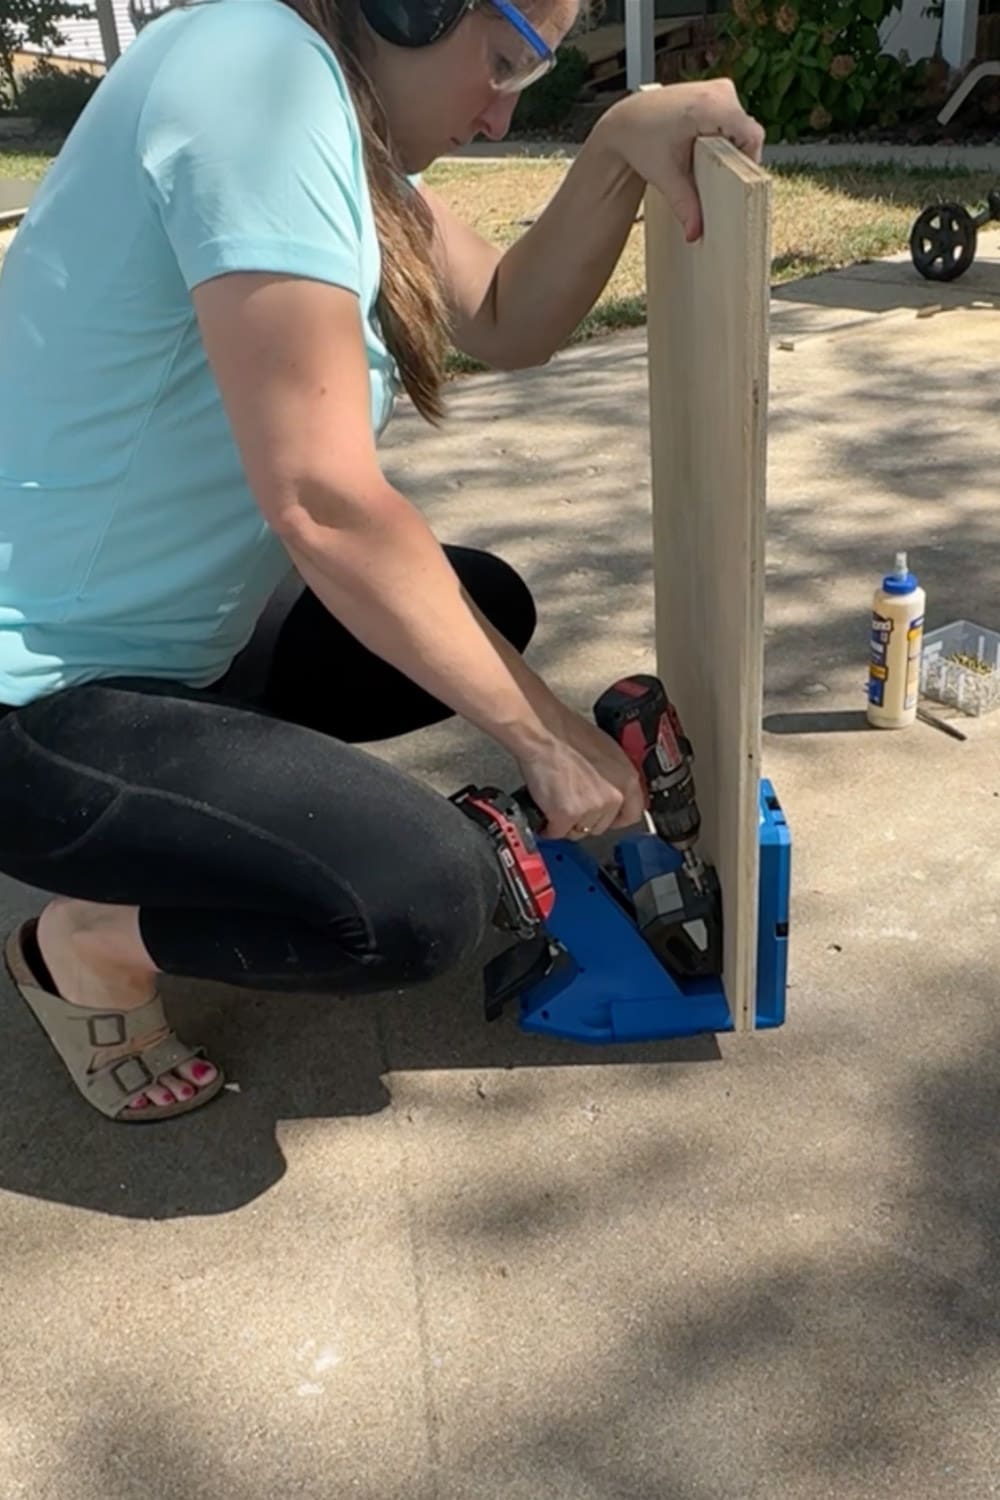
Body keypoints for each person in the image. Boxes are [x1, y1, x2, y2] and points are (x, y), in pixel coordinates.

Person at [0, 0, 764, 1123]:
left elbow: (505, 316)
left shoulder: (341, 133)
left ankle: (186, 812)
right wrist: (543, 737)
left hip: (163, 646)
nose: (501, 118)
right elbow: (322, 500)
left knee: (481, 601)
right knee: (419, 899)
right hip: (35, 697)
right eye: (500, 65)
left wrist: (619, 145)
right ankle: (89, 943)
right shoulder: (253, 76)